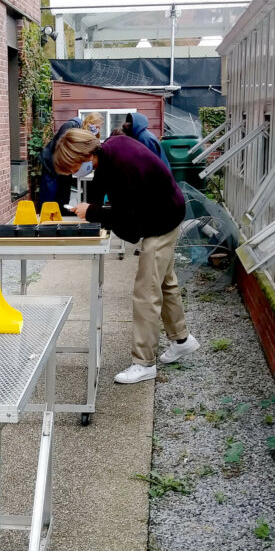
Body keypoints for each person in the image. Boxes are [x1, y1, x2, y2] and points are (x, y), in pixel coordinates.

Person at [54, 128, 199, 384]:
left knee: (146, 292)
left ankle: (144, 363)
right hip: (168, 210)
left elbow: (127, 215)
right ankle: (182, 340)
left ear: (84, 155)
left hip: (161, 219)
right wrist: (91, 209)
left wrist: (93, 213)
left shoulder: (123, 165)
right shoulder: (112, 148)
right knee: (164, 281)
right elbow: (102, 186)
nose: (73, 174)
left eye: (72, 167)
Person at [38, 112, 103, 207]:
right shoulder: (71, 125)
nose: (97, 130)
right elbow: (61, 147)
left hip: (65, 166)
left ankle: (60, 213)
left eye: (99, 128)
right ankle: (46, 216)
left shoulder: (84, 134)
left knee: (63, 192)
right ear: (90, 122)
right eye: (96, 126)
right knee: (50, 194)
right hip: (51, 164)